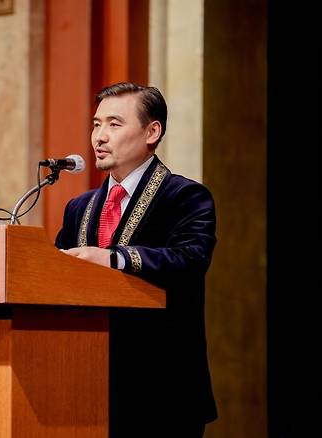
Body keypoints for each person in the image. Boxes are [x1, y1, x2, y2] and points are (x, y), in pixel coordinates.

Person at [56, 82, 217, 437]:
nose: (99, 136)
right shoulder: (79, 208)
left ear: (151, 131)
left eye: (114, 124)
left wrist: (115, 259)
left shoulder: (186, 197)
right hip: (87, 386)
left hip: (162, 390)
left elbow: (190, 259)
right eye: (96, 124)